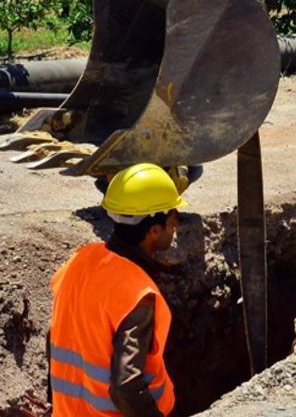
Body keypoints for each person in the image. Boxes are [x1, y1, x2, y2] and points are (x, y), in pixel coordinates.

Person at [48, 163, 187, 416]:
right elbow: (126, 386)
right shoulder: (135, 293)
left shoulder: (79, 261)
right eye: (172, 217)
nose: (176, 221)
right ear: (154, 230)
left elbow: (58, 337)